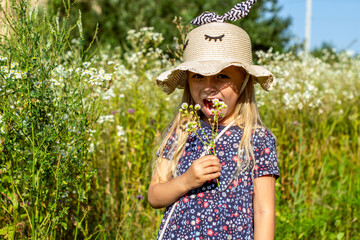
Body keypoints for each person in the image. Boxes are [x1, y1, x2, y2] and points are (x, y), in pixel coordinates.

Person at [148, 1, 279, 239]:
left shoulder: (257, 138)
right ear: (187, 81)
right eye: (198, 76)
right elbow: (155, 196)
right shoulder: (181, 131)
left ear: (244, 82)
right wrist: (186, 181)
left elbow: (264, 210)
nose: (209, 87)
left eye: (222, 76)